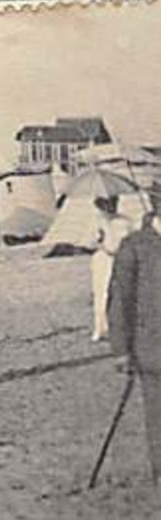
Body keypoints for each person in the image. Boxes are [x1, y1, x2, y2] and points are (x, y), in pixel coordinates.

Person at [108, 184, 161, 484]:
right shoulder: (135, 246)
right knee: (158, 416)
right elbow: (119, 300)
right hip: (153, 351)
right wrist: (121, 350)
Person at [91, 196, 134, 342]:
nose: (111, 206)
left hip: (122, 258)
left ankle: (123, 327)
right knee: (101, 293)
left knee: (123, 292)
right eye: (107, 203)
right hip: (104, 259)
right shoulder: (98, 221)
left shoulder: (125, 221)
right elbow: (92, 242)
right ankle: (100, 328)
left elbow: (131, 239)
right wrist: (99, 240)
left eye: (114, 203)